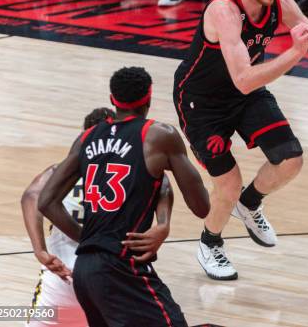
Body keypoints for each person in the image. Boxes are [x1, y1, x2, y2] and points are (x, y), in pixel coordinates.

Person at [173, 0, 308, 281]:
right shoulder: (224, 11)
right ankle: (210, 243)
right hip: (201, 103)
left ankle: (249, 203)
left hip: (243, 95)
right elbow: (245, 79)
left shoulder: (279, 2)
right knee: (227, 183)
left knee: (291, 158)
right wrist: (294, 53)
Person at [39, 67, 210, 327]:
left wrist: (90, 238)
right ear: (149, 99)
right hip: (120, 265)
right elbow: (201, 206)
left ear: (112, 99)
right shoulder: (160, 135)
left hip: (85, 270)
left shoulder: (85, 138)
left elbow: (46, 202)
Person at [22, 108, 115, 327]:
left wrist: (40, 250)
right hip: (109, 278)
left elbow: (31, 196)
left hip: (61, 277)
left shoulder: (59, 172)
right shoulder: (126, 175)